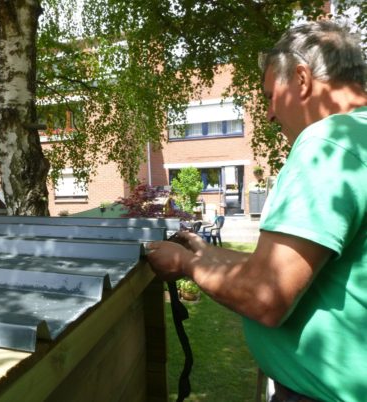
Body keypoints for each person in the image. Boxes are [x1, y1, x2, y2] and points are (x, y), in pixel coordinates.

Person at [146, 20, 367, 402]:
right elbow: (289, 268)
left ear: (301, 79)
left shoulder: (329, 144)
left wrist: (185, 265)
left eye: (269, 96)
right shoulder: (358, 140)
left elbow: (265, 295)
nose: (267, 115)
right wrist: (204, 250)